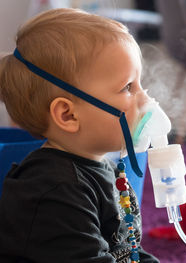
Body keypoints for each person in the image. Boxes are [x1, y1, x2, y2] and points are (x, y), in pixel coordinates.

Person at [0, 8, 159, 263]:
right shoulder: (55, 189)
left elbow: (128, 252)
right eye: (127, 87)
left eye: (140, 83)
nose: (145, 98)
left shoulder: (105, 168)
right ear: (68, 115)